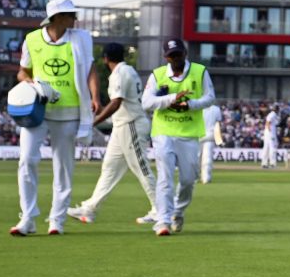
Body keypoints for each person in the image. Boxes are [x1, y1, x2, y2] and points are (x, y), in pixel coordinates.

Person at [9, 0, 98, 236]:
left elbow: (90, 69)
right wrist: (26, 81)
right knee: (26, 160)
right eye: (70, 14)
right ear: (56, 17)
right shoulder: (32, 39)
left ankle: (56, 219)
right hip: (37, 110)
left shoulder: (80, 38)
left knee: (63, 168)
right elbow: (23, 71)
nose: (74, 19)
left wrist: (95, 96)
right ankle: (27, 218)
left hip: (69, 113)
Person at [69, 41, 157, 227]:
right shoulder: (125, 71)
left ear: (106, 58)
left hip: (131, 124)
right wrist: (102, 113)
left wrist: (94, 122)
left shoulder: (121, 73)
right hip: (121, 126)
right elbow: (117, 105)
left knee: (141, 168)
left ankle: (160, 210)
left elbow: (116, 102)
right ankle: (90, 209)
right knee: (109, 168)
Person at [142, 38, 216, 236]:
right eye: (171, 55)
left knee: (188, 180)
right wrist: (169, 99)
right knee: (165, 179)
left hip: (189, 134)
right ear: (165, 57)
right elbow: (146, 103)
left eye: (179, 54)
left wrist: (189, 105)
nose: (176, 59)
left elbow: (210, 98)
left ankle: (178, 211)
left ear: (185, 53)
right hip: (163, 132)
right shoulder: (157, 75)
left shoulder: (199, 72)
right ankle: (162, 221)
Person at [200, 105, 224, 184]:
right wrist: (219, 140)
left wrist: (219, 140)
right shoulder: (216, 109)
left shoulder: (197, 106)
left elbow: (217, 125)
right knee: (206, 158)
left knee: (202, 158)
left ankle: (202, 178)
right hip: (204, 135)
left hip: (202, 135)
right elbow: (218, 126)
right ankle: (205, 178)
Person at [260, 104, 281, 169]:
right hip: (270, 132)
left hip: (268, 132)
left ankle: (264, 164)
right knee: (272, 148)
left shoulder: (272, 114)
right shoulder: (273, 114)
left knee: (266, 148)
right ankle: (272, 164)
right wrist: (270, 132)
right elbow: (268, 122)